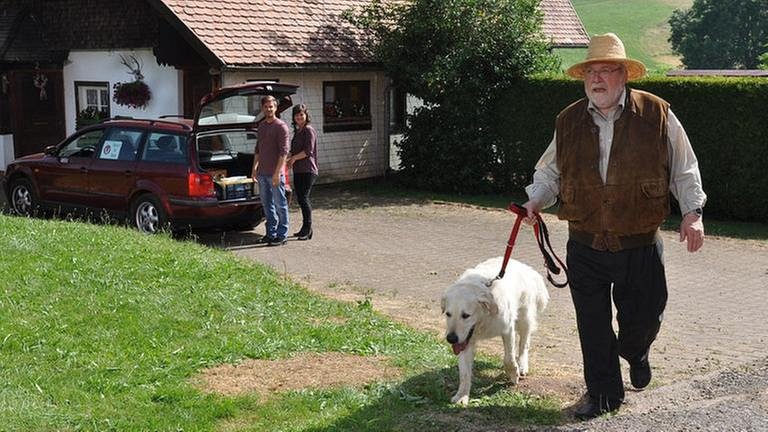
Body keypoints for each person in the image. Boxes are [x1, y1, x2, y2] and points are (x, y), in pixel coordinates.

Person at [522, 33, 707, 420]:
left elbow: (684, 169)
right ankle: (604, 395)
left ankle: (637, 350)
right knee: (592, 325)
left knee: (644, 317)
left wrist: (693, 213)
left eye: (607, 70)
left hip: (639, 242)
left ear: (624, 76)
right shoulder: (567, 120)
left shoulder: (657, 114)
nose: (598, 78)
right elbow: (550, 171)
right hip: (585, 242)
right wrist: (536, 199)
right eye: (592, 71)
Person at [252, 95, 290, 246]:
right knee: (267, 205)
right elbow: (258, 149)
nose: (269, 109)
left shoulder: (281, 127)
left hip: (275, 174)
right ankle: (270, 233)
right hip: (262, 173)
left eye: (271, 106)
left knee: (280, 204)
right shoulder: (261, 126)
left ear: (276, 108)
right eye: (266, 106)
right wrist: (254, 168)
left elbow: (284, 152)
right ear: (263, 108)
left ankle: (282, 235)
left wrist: (277, 173)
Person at [286, 104, 318, 240]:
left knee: (303, 199)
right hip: (299, 170)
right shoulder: (298, 131)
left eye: (301, 114)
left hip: (308, 170)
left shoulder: (308, 130)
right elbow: (293, 151)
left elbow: (308, 151)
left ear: (306, 115)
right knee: (300, 199)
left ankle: (308, 228)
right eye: (297, 115)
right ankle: (305, 229)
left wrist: (293, 158)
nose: (299, 117)